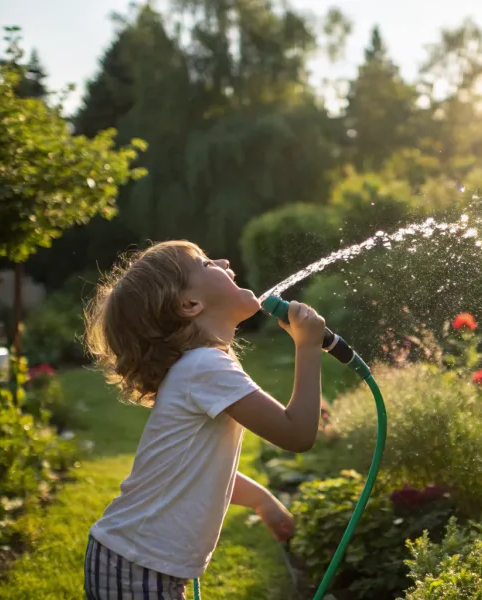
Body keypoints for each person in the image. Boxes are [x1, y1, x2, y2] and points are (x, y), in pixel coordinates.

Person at [82, 240, 325, 599]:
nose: (225, 260)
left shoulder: (201, 366)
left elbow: (198, 470)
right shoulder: (205, 367)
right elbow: (297, 433)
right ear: (190, 305)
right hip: (139, 564)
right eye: (208, 263)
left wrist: (262, 500)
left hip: (134, 558)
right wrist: (307, 346)